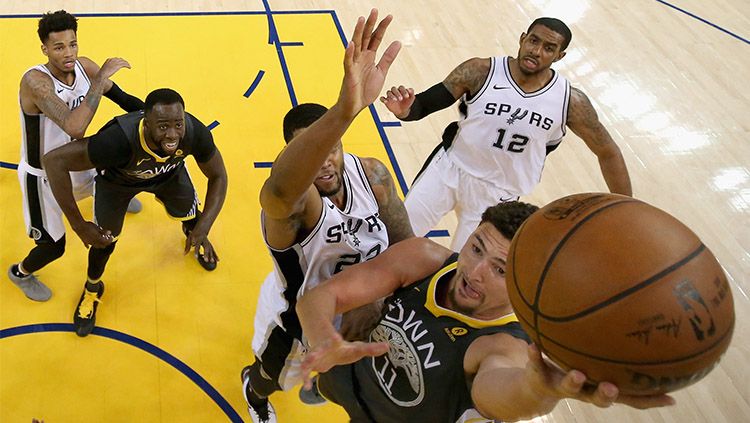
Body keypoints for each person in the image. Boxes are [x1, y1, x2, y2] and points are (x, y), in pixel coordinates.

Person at [297, 201, 675, 422]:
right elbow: (317, 299)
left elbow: (505, 390)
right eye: (476, 248)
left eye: (499, 269)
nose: (475, 273)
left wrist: (541, 389)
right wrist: (323, 341)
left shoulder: (502, 344)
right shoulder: (425, 258)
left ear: (527, 281)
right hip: (352, 386)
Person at [239, 10, 410, 423]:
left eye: (332, 146)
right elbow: (280, 192)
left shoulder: (372, 174)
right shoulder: (295, 206)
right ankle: (254, 395)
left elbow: (406, 248)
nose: (325, 161)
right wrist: (345, 110)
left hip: (363, 307)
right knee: (272, 378)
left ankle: (322, 379)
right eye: (313, 152)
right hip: (297, 314)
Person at [381, 17, 632, 251]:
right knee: (395, 243)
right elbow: (424, 104)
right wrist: (405, 110)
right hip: (448, 170)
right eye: (534, 40)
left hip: (498, 195)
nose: (536, 51)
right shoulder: (480, 71)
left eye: (549, 47)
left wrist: (626, 208)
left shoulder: (570, 102)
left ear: (559, 55)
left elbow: (607, 151)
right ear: (522, 38)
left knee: (462, 269)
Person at [42, 88, 228, 337]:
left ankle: (197, 236)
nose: (173, 134)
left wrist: (204, 227)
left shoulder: (194, 132)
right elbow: (54, 161)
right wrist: (79, 225)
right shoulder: (116, 141)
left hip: (168, 177)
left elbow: (218, 176)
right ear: (146, 121)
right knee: (103, 242)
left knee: (194, 217)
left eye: (177, 124)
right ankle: (92, 288)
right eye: (163, 127)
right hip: (117, 184)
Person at [8, 9, 143, 302]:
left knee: (113, 171)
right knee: (53, 247)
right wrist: (100, 79)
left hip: (79, 162)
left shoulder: (84, 67)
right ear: (44, 49)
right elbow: (75, 126)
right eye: (58, 47)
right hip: (42, 175)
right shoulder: (36, 82)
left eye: (73, 44)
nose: (68, 53)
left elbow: (126, 101)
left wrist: (160, 116)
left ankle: (115, 195)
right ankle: (20, 272)